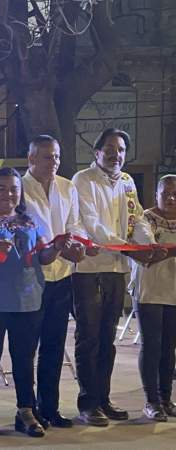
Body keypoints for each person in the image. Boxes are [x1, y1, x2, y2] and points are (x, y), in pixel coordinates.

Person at [0, 167, 67, 438]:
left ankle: (26, 411)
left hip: (27, 298)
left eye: (13, 189)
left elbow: (44, 255)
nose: (8, 194)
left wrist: (56, 247)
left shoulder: (30, 219)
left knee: (24, 358)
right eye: (2, 188)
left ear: (20, 193)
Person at [71, 128, 155, 426]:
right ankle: (87, 402)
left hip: (117, 270)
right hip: (90, 270)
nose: (115, 154)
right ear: (96, 152)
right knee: (89, 337)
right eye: (109, 148)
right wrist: (128, 248)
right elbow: (91, 223)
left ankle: (103, 399)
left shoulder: (128, 181)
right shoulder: (83, 179)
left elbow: (138, 218)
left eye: (120, 149)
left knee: (108, 338)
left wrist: (147, 244)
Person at [22, 135, 90, 428]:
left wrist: (76, 244)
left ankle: (50, 407)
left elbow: (74, 223)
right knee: (27, 349)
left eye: (57, 157)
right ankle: (26, 408)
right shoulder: (18, 187)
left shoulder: (67, 186)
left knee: (54, 345)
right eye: (48, 157)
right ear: (32, 159)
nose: (54, 163)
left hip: (61, 276)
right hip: (30, 279)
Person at [130, 175, 176, 421]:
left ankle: (166, 398)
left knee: (169, 347)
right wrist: (155, 248)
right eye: (165, 193)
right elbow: (147, 246)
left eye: (175, 194)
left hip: (174, 290)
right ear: (156, 194)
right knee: (152, 345)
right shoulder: (144, 217)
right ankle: (151, 401)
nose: (170, 198)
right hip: (149, 289)